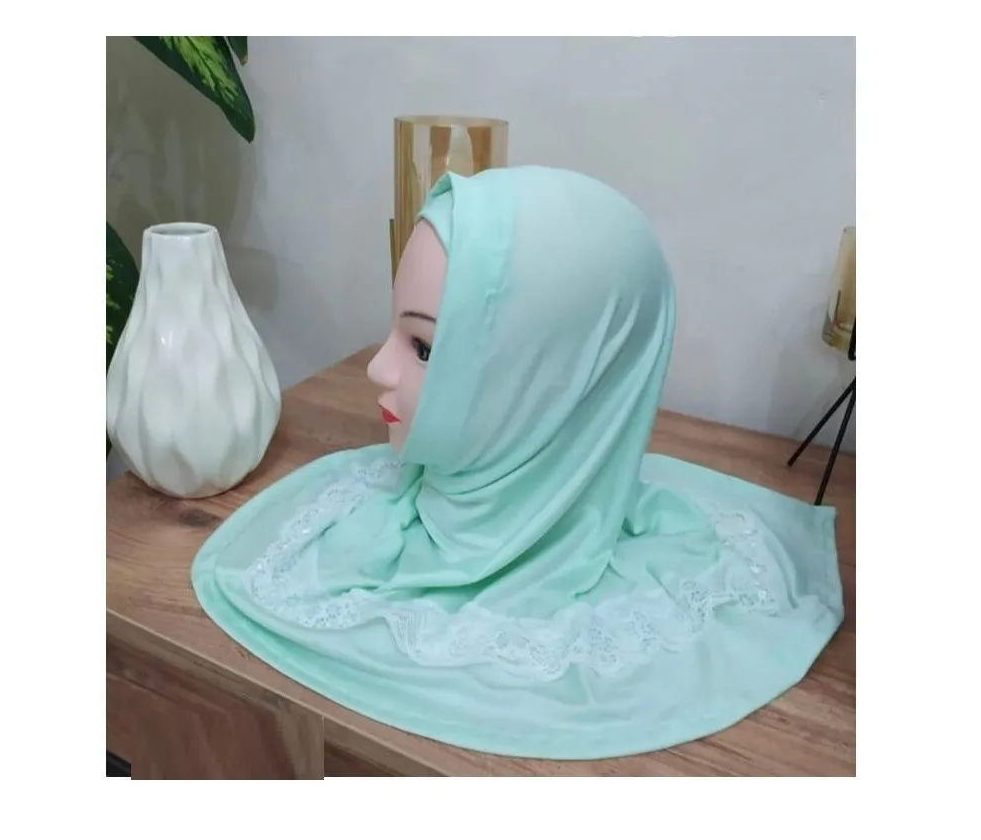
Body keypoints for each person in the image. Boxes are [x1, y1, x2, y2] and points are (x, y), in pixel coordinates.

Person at [192, 167, 843, 760]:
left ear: (550, 378)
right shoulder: (358, 534)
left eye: (423, 347)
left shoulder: (640, 629)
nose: (377, 368)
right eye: (397, 331)